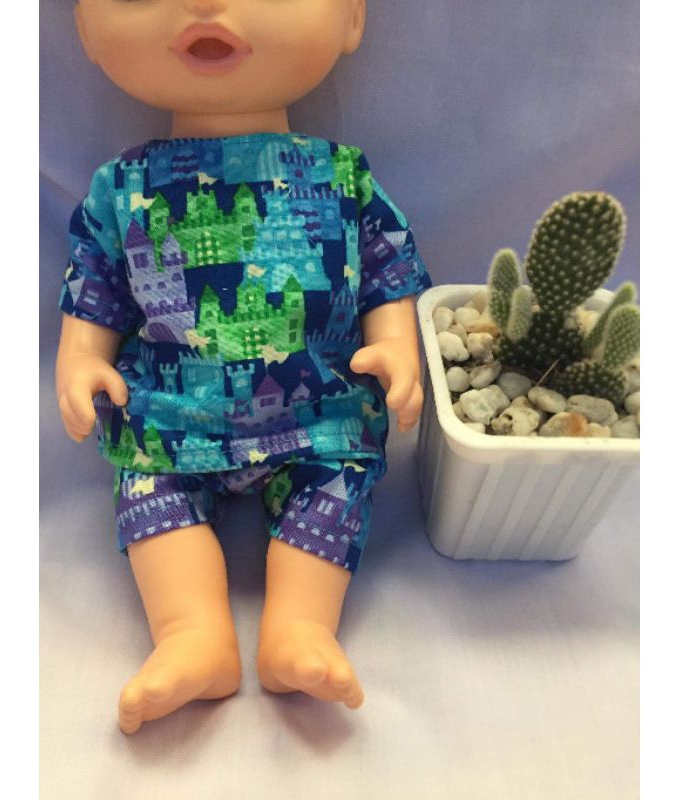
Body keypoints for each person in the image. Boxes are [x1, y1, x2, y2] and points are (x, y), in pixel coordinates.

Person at [57, 0, 432, 734]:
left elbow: (387, 272)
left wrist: (396, 345)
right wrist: (79, 360)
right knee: (148, 492)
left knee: (336, 485)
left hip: (317, 412)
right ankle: (190, 633)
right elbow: (94, 289)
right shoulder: (120, 188)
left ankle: (301, 626)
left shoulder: (343, 177)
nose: (203, 4)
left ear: (352, 18)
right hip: (170, 417)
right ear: (85, 33)